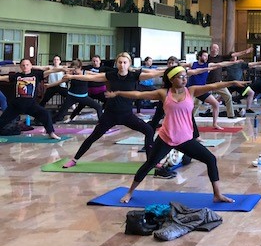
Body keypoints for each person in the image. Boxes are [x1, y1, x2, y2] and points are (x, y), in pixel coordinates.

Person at [108, 65, 247, 204]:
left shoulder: (191, 91)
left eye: (185, 76)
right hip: (166, 138)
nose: (184, 79)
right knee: (149, 164)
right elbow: (138, 95)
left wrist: (233, 83)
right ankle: (130, 192)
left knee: (210, 159)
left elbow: (214, 85)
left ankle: (217, 194)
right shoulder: (163, 93)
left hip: (185, 138)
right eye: (181, 77)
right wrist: (118, 92)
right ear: (172, 79)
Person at [61, 52, 164, 168]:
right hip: (110, 115)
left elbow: (154, 74)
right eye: (120, 62)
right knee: (93, 137)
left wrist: (168, 71)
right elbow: (92, 77)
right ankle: (74, 159)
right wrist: (72, 76)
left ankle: (152, 161)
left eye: (125, 62)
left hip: (127, 115)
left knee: (149, 131)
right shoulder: (111, 75)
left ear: (129, 63)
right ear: (116, 63)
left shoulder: (134, 75)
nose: (122, 65)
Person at [0, 58, 65, 139]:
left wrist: (63, 68)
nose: (25, 67)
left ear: (31, 66)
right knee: (2, 121)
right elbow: (3, 78)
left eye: (27, 65)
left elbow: (51, 70)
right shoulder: (16, 76)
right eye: (23, 65)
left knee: (45, 114)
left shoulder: (36, 75)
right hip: (16, 105)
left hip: (31, 105)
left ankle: (51, 133)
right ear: (20, 67)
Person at [188, 50, 238, 129]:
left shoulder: (208, 65)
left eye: (207, 56)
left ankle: (215, 124)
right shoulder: (192, 64)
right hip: (191, 90)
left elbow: (220, 64)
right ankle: (187, 122)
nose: (206, 58)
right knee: (189, 106)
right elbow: (181, 66)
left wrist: (233, 62)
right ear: (199, 56)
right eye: (204, 56)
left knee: (215, 104)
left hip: (201, 89)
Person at [207, 44, 252, 118]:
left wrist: (245, 52)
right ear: (211, 49)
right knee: (198, 100)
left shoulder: (220, 57)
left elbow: (233, 54)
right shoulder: (207, 58)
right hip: (206, 83)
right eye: (215, 48)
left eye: (218, 48)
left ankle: (231, 115)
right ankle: (191, 115)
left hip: (218, 82)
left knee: (228, 96)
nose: (217, 50)